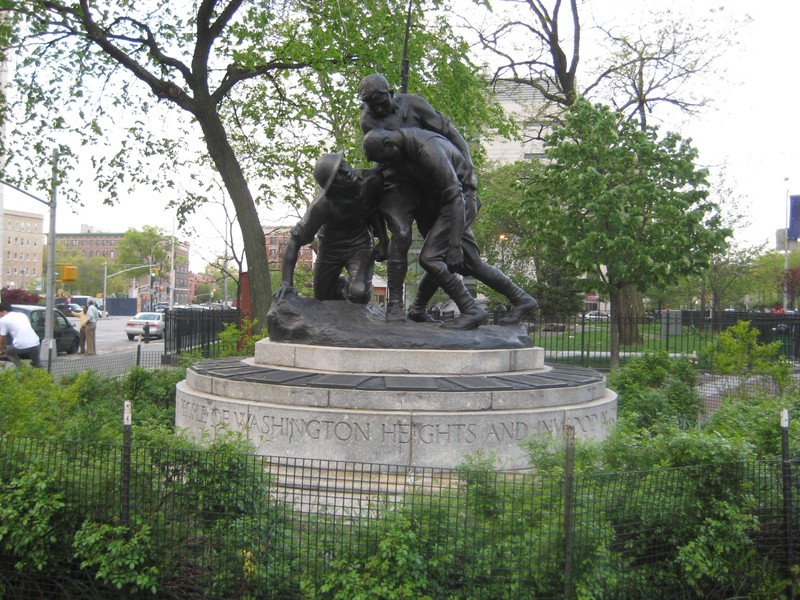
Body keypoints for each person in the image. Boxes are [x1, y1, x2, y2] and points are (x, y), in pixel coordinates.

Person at [363, 127, 538, 327]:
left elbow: (456, 197)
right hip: (449, 205)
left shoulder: (429, 149)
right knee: (471, 264)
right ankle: (522, 299)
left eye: (383, 158)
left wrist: (454, 245)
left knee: (430, 258)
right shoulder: (406, 145)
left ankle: (471, 310)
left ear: (389, 144)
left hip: (458, 204)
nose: (386, 164)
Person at [359, 73, 477, 321]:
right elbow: (387, 155)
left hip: (430, 182)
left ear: (390, 92)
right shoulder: (369, 121)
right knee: (401, 233)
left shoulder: (414, 104)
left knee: (435, 248)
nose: (379, 109)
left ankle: (419, 308)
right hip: (399, 181)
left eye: (381, 101)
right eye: (372, 105)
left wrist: (467, 163)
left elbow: (451, 132)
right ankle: (394, 305)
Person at [275, 152, 388, 304]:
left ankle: (353, 290)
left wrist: (383, 240)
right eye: (338, 175)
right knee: (323, 298)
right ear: (333, 188)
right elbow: (294, 240)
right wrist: (286, 283)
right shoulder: (322, 206)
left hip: (360, 245)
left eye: (342, 166)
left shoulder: (370, 180)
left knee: (358, 294)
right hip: (330, 249)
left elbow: (375, 211)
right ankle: (342, 287)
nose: (346, 172)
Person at [0, 302, 42, 368]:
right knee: (37, 363)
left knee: (8, 352)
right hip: (35, 342)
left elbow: (3, 338)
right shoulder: (22, 315)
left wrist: (1, 350)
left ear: (2, 311)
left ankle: (22, 368)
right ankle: (43, 375)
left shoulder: (3, 320)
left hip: (21, 344)